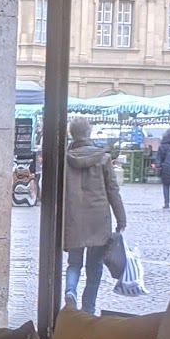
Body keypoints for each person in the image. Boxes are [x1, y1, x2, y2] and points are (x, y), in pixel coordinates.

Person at [63, 115, 125, 315]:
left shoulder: (65, 159)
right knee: (94, 266)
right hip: (98, 219)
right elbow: (112, 190)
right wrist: (121, 218)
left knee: (74, 263)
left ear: (72, 134)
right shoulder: (103, 158)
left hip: (73, 217)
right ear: (89, 133)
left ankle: (70, 291)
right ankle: (88, 307)